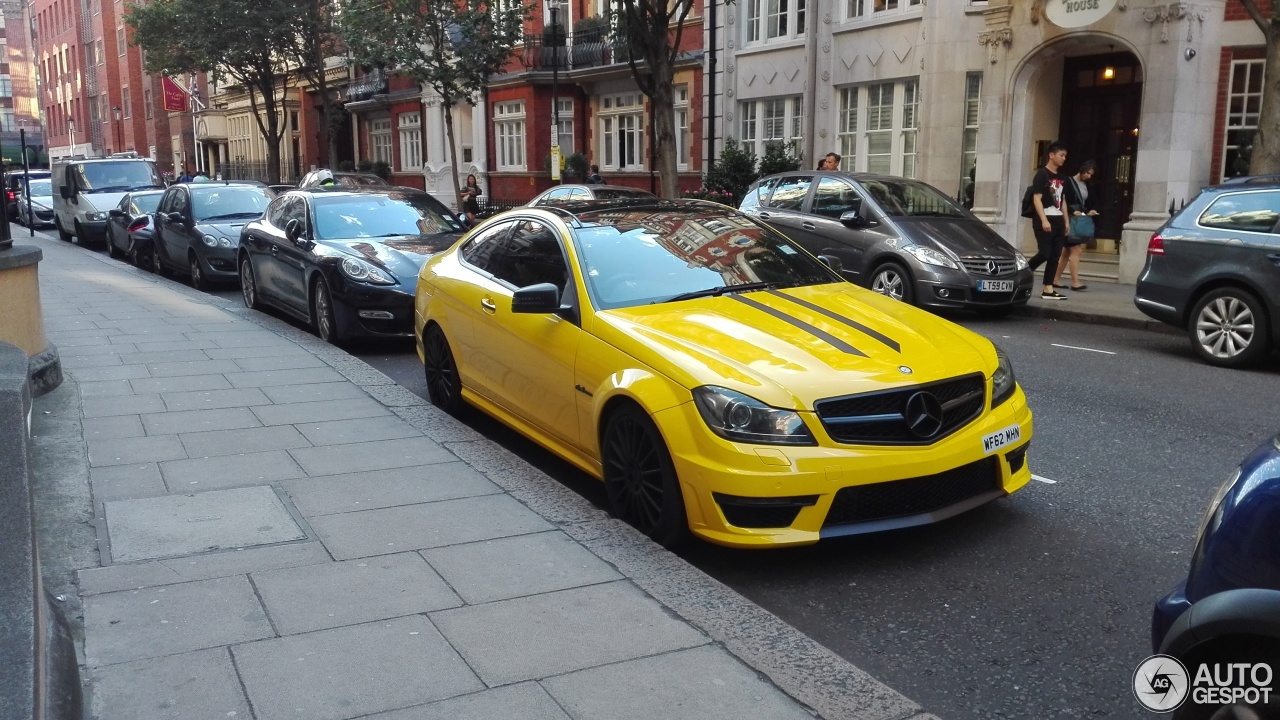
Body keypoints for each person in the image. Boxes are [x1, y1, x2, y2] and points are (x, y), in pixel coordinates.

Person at [1026, 142, 1069, 300]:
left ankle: (1048, 288)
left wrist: (1066, 221)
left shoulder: (1062, 178)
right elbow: (1037, 199)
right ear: (1052, 155)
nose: (1063, 159)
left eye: (1065, 156)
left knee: (1055, 255)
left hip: (1058, 219)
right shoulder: (1042, 175)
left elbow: (1062, 200)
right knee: (1045, 253)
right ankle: (1025, 271)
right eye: (1061, 155)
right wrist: (1044, 220)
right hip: (1044, 218)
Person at [1052, 159, 1098, 292]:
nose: (1089, 176)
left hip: (1078, 220)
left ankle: (1055, 279)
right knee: (1076, 250)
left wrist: (1092, 210)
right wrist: (1072, 211)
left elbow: (1093, 200)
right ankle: (1075, 282)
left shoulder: (1088, 185)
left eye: (1091, 174)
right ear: (1082, 170)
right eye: (1087, 173)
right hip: (1068, 220)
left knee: (1066, 252)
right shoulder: (1068, 181)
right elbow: (1061, 200)